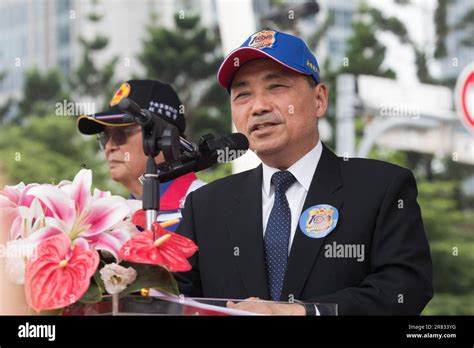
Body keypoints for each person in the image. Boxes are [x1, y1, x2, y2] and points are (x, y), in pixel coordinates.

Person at [174, 30, 433, 315]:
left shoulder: (381, 188)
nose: (258, 107)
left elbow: (405, 288)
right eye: (243, 95)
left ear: (319, 99)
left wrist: (302, 312)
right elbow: (176, 298)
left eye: (276, 87)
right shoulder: (206, 205)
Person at [77, 80, 205, 231]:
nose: (109, 147)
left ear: (164, 137)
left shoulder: (205, 204)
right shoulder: (118, 219)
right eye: (105, 137)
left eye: (121, 134)